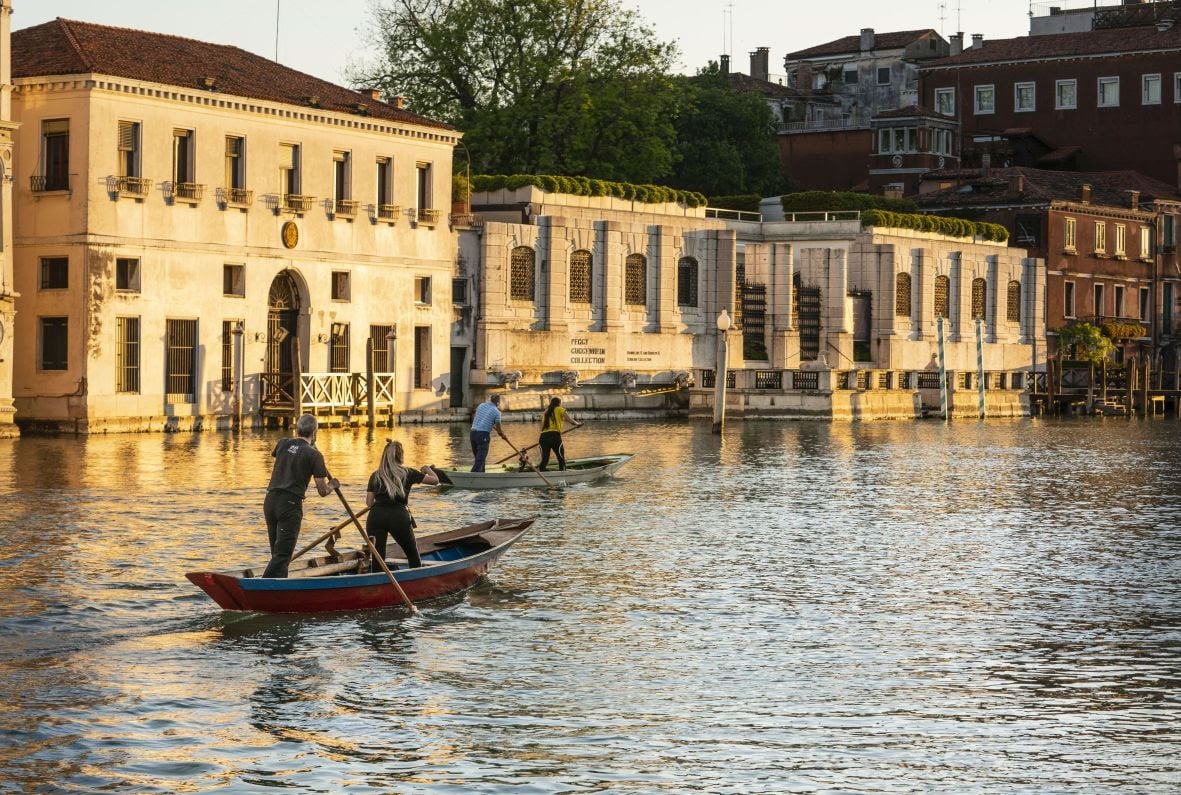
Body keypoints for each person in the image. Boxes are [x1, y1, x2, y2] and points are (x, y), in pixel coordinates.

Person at [262, 414, 339, 578]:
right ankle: (264, 588)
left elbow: (286, 453)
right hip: (289, 505)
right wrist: (333, 484)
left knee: (277, 553)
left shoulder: (283, 443)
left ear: (297, 429)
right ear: (315, 432)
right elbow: (322, 491)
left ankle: (279, 589)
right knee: (282, 556)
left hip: (270, 501)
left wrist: (307, 446)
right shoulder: (315, 455)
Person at [365, 440, 439, 571]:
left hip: (376, 516)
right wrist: (427, 469)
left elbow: (369, 503)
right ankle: (415, 581)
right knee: (412, 554)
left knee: (378, 558)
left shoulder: (375, 475)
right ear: (400, 456)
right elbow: (435, 481)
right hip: (398, 517)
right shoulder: (408, 473)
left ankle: (376, 586)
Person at [538, 396, 583, 471]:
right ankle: (563, 474)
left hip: (543, 437)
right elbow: (570, 420)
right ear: (559, 403)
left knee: (544, 459)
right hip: (555, 437)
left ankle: (542, 473)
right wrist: (577, 424)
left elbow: (541, 428)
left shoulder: (546, 412)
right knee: (561, 458)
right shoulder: (560, 409)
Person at [470, 393, 508, 472]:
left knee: (478, 457)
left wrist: (490, 422)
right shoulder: (497, 412)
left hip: (473, 433)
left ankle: (482, 473)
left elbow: (480, 418)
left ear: (490, 400)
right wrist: (503, 435)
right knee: (480, 459)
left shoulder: (481, 406)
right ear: (498, 402)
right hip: (483, 435)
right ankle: (473, 475)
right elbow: (499, 429)